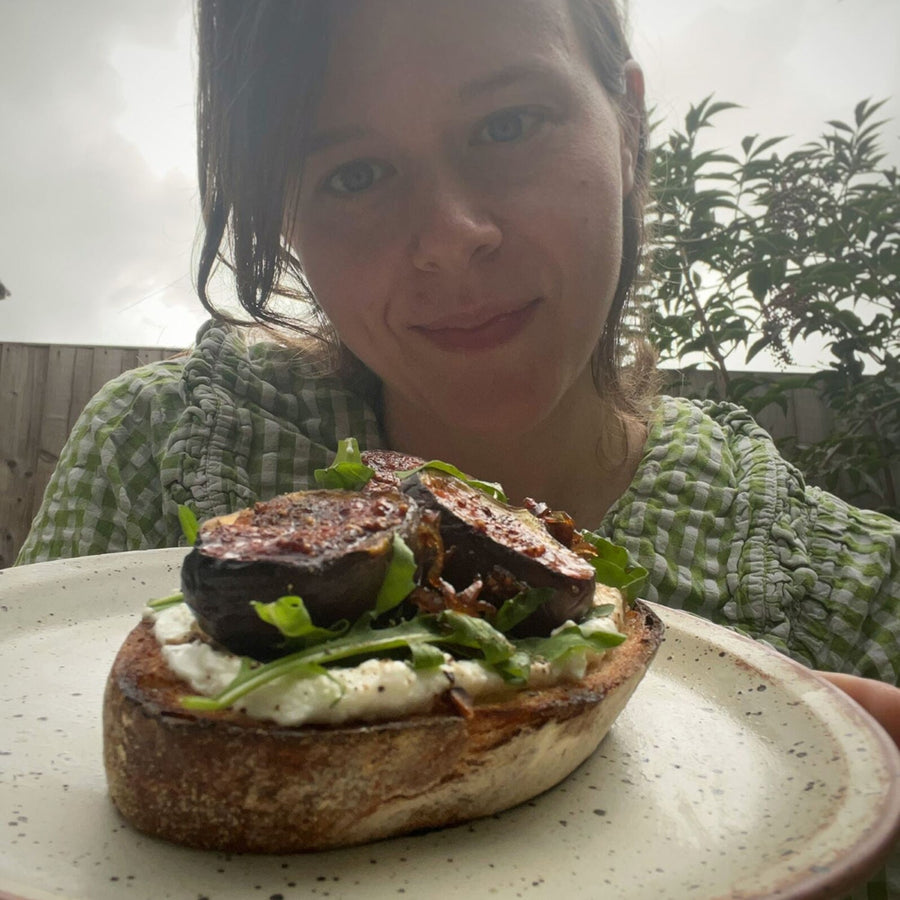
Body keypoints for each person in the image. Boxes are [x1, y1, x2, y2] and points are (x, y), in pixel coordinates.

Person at [15, 0, 900, 879]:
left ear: (628, 127)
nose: (450, 240)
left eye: (508, 125)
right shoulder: (153, 451)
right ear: (286, 219)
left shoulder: (850, 593)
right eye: (354, 175)